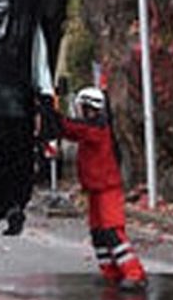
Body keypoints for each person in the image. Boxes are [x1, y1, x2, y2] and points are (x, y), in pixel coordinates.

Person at [55, 85, 148, 289]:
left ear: (88, 107)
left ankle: (134, 273)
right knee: (98, 233)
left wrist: (53, 116)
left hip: (107, 189)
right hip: (96, 188)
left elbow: (70, 128)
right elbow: (72, 129)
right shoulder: (95, 127)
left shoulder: (96, 129)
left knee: (112, 232)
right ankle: (111, 272)